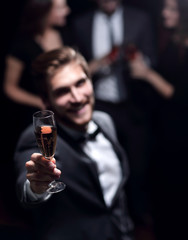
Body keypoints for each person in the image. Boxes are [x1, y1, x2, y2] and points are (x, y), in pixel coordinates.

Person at [13, 47, 134, 240]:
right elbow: (27, 191)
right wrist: (37, 185)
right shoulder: (37, 137)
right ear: (46, 101)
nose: (77, 98)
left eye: (80, 83)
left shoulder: (104, 121)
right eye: (62, 92)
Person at [71, 0, 156, 228]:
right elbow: (74, 68)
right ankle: (104, 215)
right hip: (99, 104)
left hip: (133, 104)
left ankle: (137, 214)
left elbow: (152, 57)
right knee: (101, 163)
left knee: (137, 165)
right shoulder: (81, 23)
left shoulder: (140, 19)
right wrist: (93, 66)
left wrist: (141, 63)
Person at [128, 0, 188, 239]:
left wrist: (146, 73)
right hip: (165, 127)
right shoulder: (174, 41)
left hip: (180, 131)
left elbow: (180, 94)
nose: (164, 13)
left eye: (171, 9)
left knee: (176, 189)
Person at [3, 0, 70, 142]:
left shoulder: (65, 34)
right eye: (60, 8)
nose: (67, 11)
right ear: (44, 12)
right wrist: (40, 102)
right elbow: (10, 88)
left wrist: (102, 61)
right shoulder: (22, 45)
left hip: (66, 109)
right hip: (39, 117)